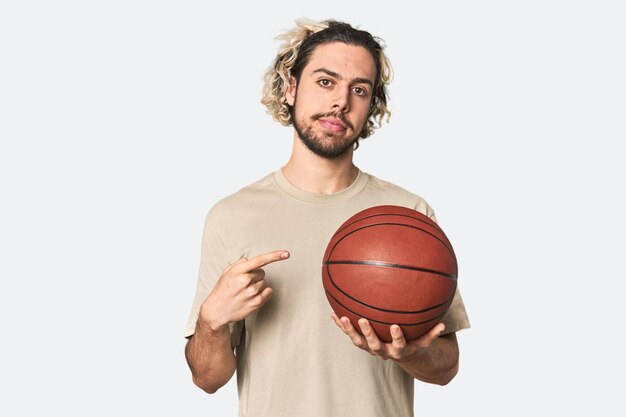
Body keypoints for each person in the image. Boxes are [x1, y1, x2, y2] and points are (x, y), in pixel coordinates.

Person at [184, 18, 470, 417]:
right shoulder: (231, 215)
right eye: (325, 82)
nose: (341, 101)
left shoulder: (410, 214)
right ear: (291, 87)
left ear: (371, 105)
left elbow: (447, 368)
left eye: (359, 89)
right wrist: (211, 322)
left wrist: (406, 355)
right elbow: (207, 379)